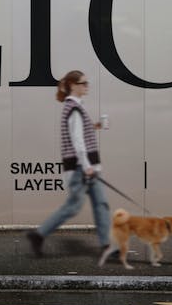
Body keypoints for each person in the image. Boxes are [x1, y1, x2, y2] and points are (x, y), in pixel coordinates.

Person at [26, 70, 110, 258]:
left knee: (101, 204)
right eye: (83, 83)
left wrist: (95, 126)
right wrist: (87, 166)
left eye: (87, 83)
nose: (86, 86)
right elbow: (77, 141)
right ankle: (38, 235)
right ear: (73, 85)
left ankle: (107, 245)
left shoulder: (75, 107)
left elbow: (79, 134)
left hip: (87, 166)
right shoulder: (73, 108)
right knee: (73, 206)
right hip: (83, 168)